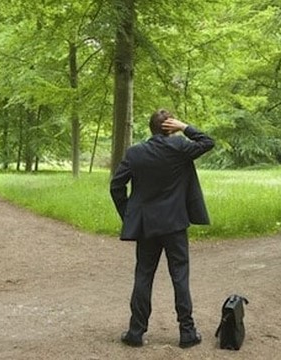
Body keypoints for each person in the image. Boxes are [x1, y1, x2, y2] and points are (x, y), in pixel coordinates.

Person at [110, 109, 215, 349]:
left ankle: (136, 332)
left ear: (151, 128)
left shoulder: (135, 153)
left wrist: (129, 215)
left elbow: (116, 186)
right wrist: (185, 127)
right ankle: (187, 333)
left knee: (143, 275)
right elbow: (207, 141)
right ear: (170, 127)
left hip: (147, 226)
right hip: (175, 224)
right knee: (180, 276)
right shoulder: (179, 148)